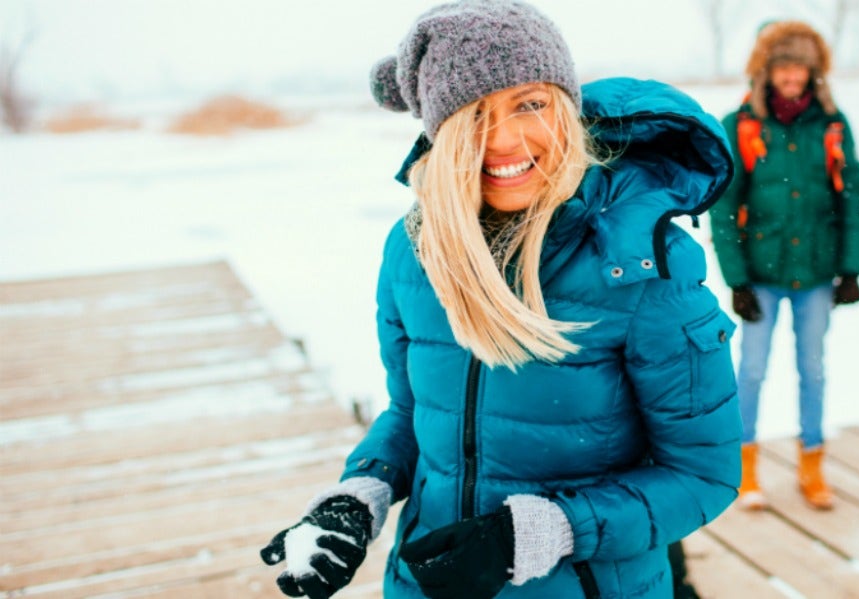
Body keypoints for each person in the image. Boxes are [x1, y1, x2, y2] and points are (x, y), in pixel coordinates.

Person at [257, 2, 741, 598]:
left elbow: (702, 474)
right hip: (424, 584)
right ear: (442, 133)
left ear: (564, 106)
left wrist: (549, 531)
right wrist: (361, 494)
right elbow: (415, 413)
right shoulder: (415, 250)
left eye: (530, 103)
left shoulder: (643, 264)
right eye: (474, 114)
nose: (505, 138)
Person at [709, 21, 859, 511]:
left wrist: (852, 268)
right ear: (766, 71)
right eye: (783, 66)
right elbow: (723, 205)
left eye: (800, 66)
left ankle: (812, 466)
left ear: (812, 71)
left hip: (816, 274)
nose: (792, 76)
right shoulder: (741, 126)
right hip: (761, 275)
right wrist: (736, 280)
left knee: (813, 371)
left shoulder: (832, 125)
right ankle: (745, 468)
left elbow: (853, 198)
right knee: (751, 371)